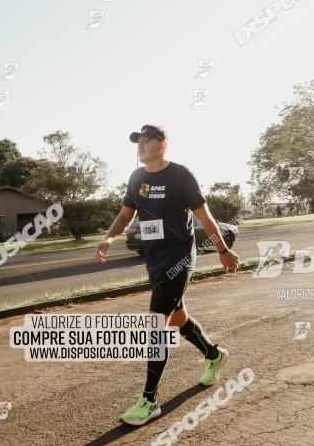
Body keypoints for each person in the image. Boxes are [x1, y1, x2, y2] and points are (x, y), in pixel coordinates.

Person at [95, 124, 240, 425]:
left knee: (155, 324)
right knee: (177, 318)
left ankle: (149, 400)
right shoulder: (136, 178)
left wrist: (223, 250)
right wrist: (109, 238)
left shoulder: (180, 175)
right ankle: (213, 354)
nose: (141, 145)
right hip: (155, 260)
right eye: (138, 141)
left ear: (163, 144)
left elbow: (205, 216)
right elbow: (125, 214)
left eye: (147, 141)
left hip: (179, 259)